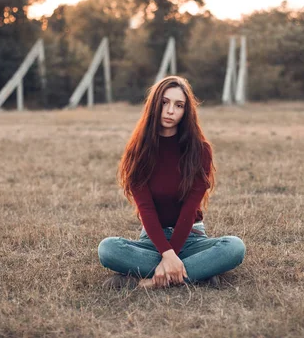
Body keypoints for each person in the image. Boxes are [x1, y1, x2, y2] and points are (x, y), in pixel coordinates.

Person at [97, 76, 246, 289]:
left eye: (179, 105)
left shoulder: (200, 150)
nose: (170, 111)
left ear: (186, 111)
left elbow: (190, 208)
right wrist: (166, 254)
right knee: (108, 249)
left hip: (192, 238)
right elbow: (146, 209)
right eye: (165, 102)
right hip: (152, 239)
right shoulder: (138, 151)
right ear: (154, 105)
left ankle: (147, 282)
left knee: (234, 247)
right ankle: (198, 273)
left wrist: (171, 254)